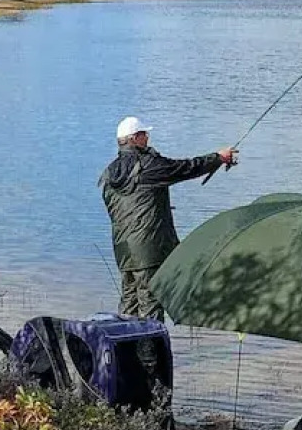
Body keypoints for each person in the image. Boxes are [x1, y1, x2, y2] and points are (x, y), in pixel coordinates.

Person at [100, 116, 237, 320]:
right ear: (135, 138)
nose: (148, 138)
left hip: (124, 250)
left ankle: (124, 341)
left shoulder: (109, 173)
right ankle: (152, 342)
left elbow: (121, 207)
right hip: (150, 250)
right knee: (151, 306)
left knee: (129, 306)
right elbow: (185, 168)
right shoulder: (149, 165)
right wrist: (218, 158)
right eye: (144, 134)